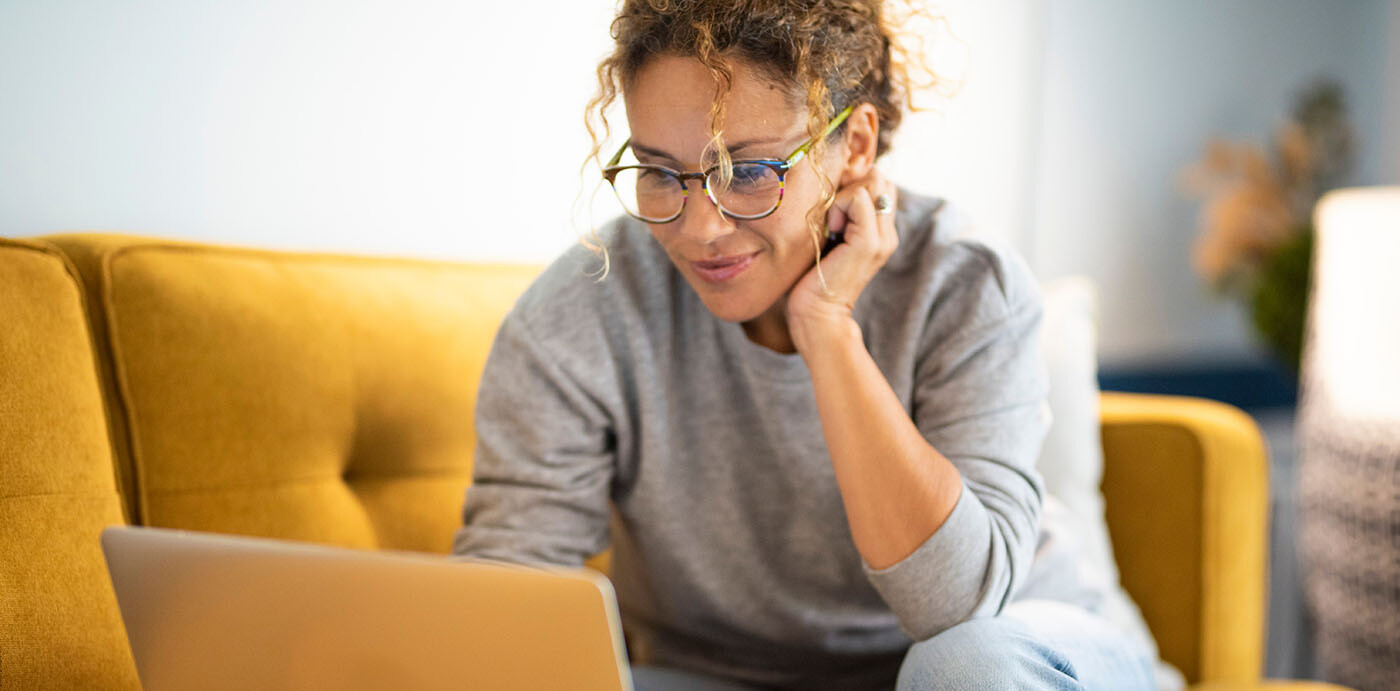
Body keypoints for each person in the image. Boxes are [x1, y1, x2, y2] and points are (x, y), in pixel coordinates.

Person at [454, 1, 1162, 689]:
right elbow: (511, 599)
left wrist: (827, 328)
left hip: (1012, 650)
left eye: (752, 170)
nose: (700, 228)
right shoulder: (583, 306)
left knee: (965, 668)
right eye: (662, 173)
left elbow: (956, 607)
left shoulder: (965, 282)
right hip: (719, 675)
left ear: (853, 147)